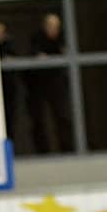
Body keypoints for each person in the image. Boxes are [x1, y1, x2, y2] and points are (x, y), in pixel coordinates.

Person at [27, 12, 73, 154]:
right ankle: (43, 151)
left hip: (57, 83)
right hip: (38, 83)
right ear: (44, 26)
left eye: (56, 26)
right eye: (50, 26)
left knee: (63, 116)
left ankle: (67, 148)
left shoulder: (63, 38)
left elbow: (67, 55)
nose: (54, 29)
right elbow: (35, 56)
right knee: (39, 119)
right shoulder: (36, 39)